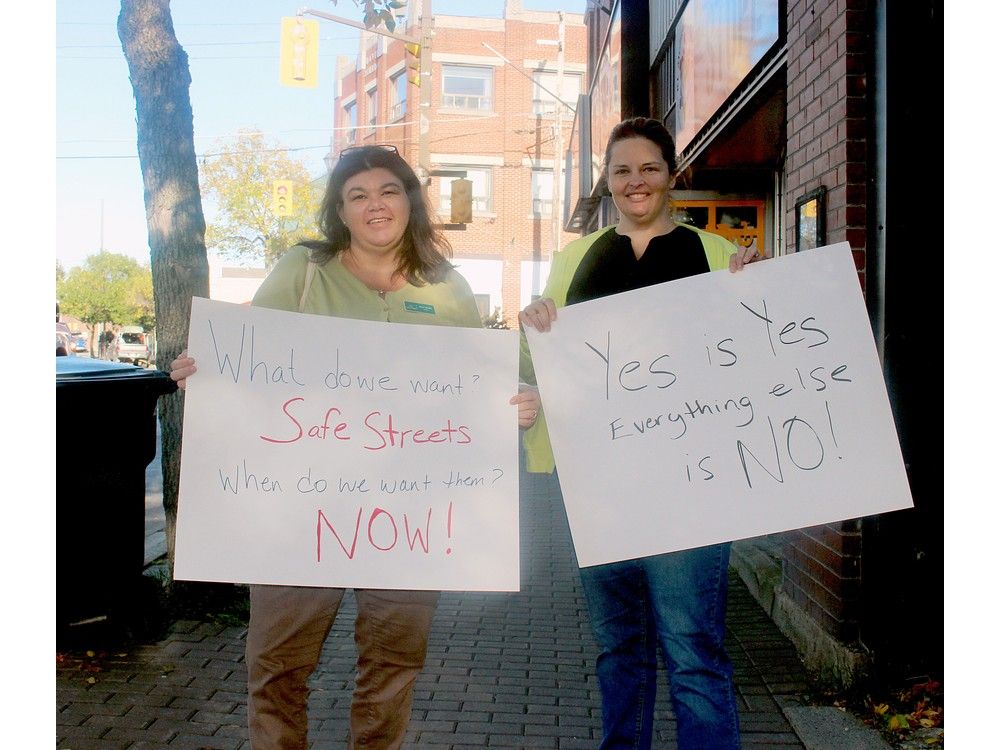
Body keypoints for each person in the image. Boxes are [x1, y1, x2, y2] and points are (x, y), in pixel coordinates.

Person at [170, 144, 539, 749]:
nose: (375, 205)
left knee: (392, 669)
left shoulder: (447, 287)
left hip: (410, 515)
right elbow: (249, 362)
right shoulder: (304, 270)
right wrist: (206, 374)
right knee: (277, 667)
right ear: (339, 210)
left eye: (389, 191)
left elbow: (481, 388)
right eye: (358, 195)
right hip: (301, 512)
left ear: (410, 202)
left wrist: (515, 407)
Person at [518, 117, 762, 750]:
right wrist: (538, 321)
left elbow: (752, 348)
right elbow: (548, 360)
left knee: (692, 649)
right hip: (601, 489)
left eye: (649, 168)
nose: (635, 181)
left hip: (690, 489)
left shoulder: (713, 254)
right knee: (619, 647)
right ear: (607, 180)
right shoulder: (577, 256)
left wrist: (758, 290)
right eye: (622, 170)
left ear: (671, 176)